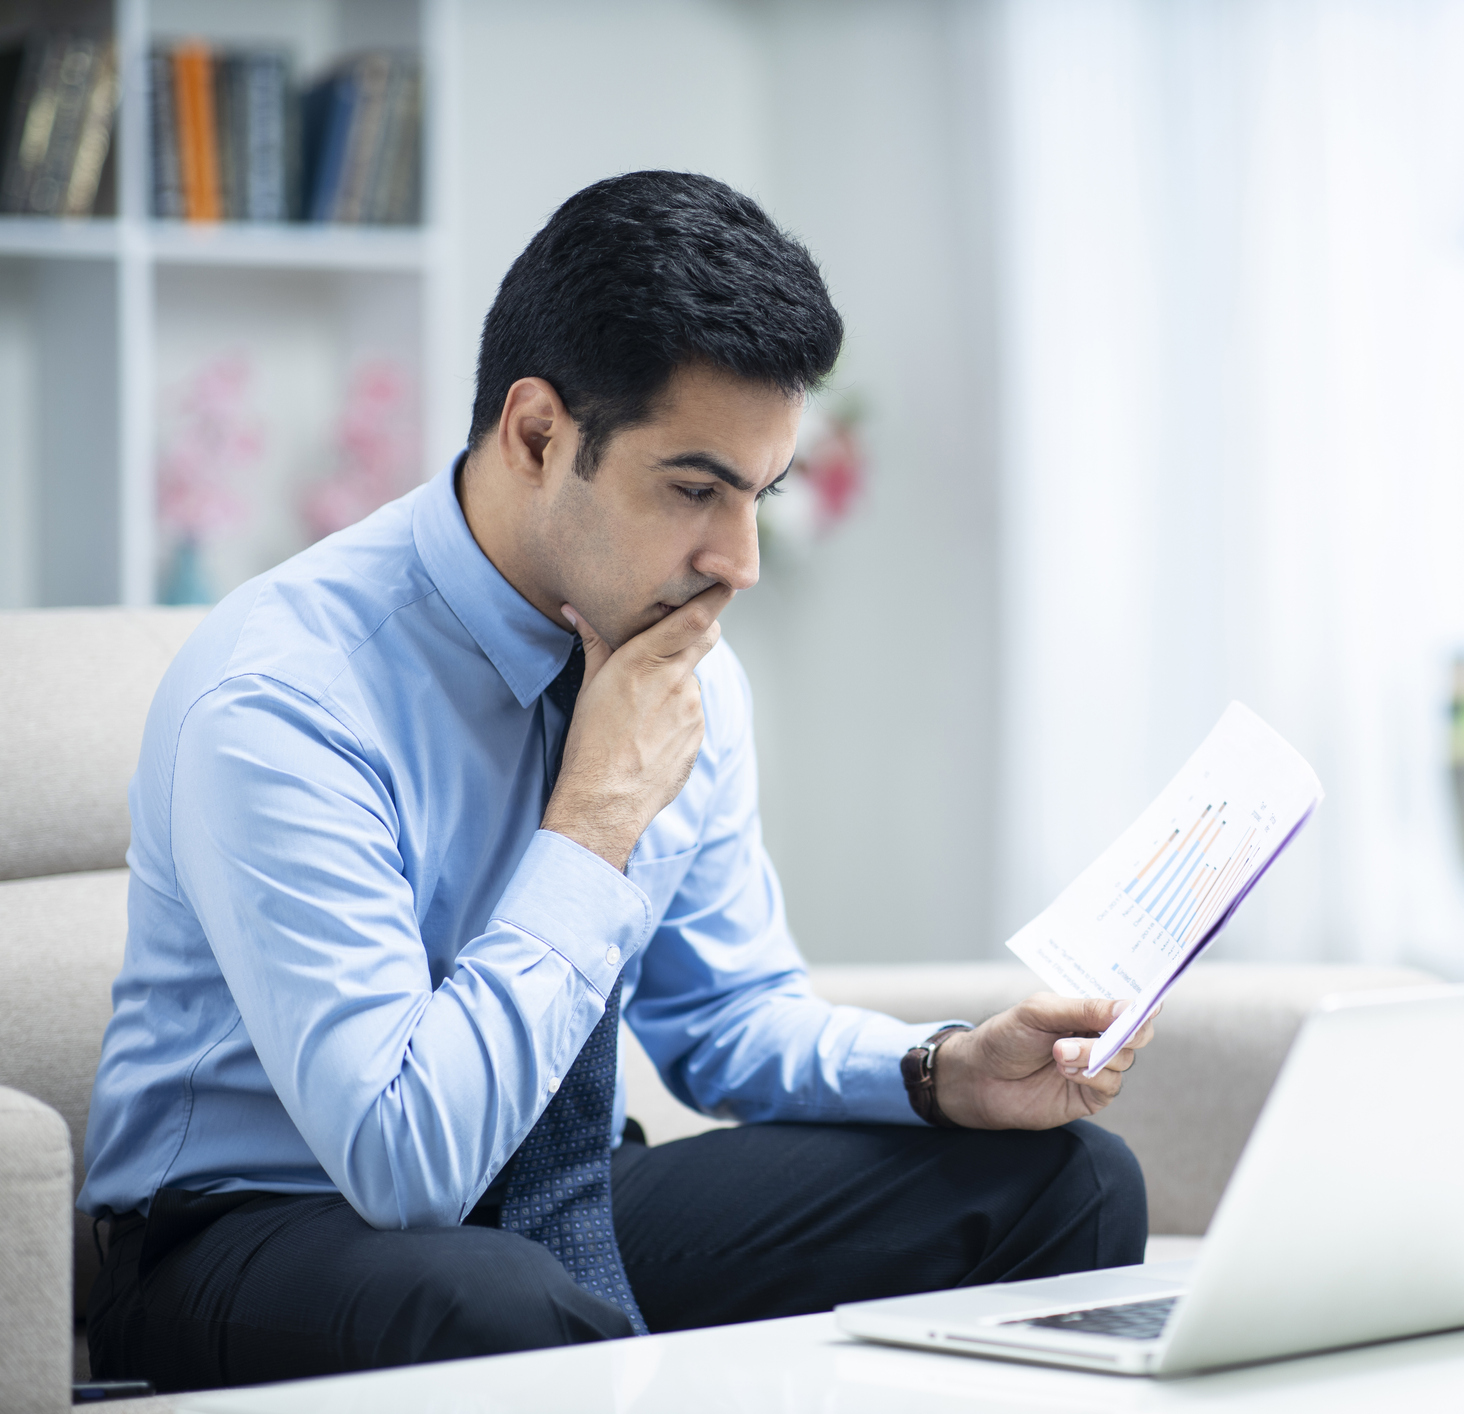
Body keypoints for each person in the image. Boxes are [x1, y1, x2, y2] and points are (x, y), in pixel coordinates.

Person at [79, 170, 1152, 1392]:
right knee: (491, 1302)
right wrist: (592, 814)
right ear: (538, 434)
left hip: (560, 1201)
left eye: (760, 496)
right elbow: (403, 1159)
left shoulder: (679, 662)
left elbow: (727, 1021)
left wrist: (939, 1070)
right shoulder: (285, 693)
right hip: (252, 1230)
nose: (737, 562)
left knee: (1066, 1186)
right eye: (696, 489)